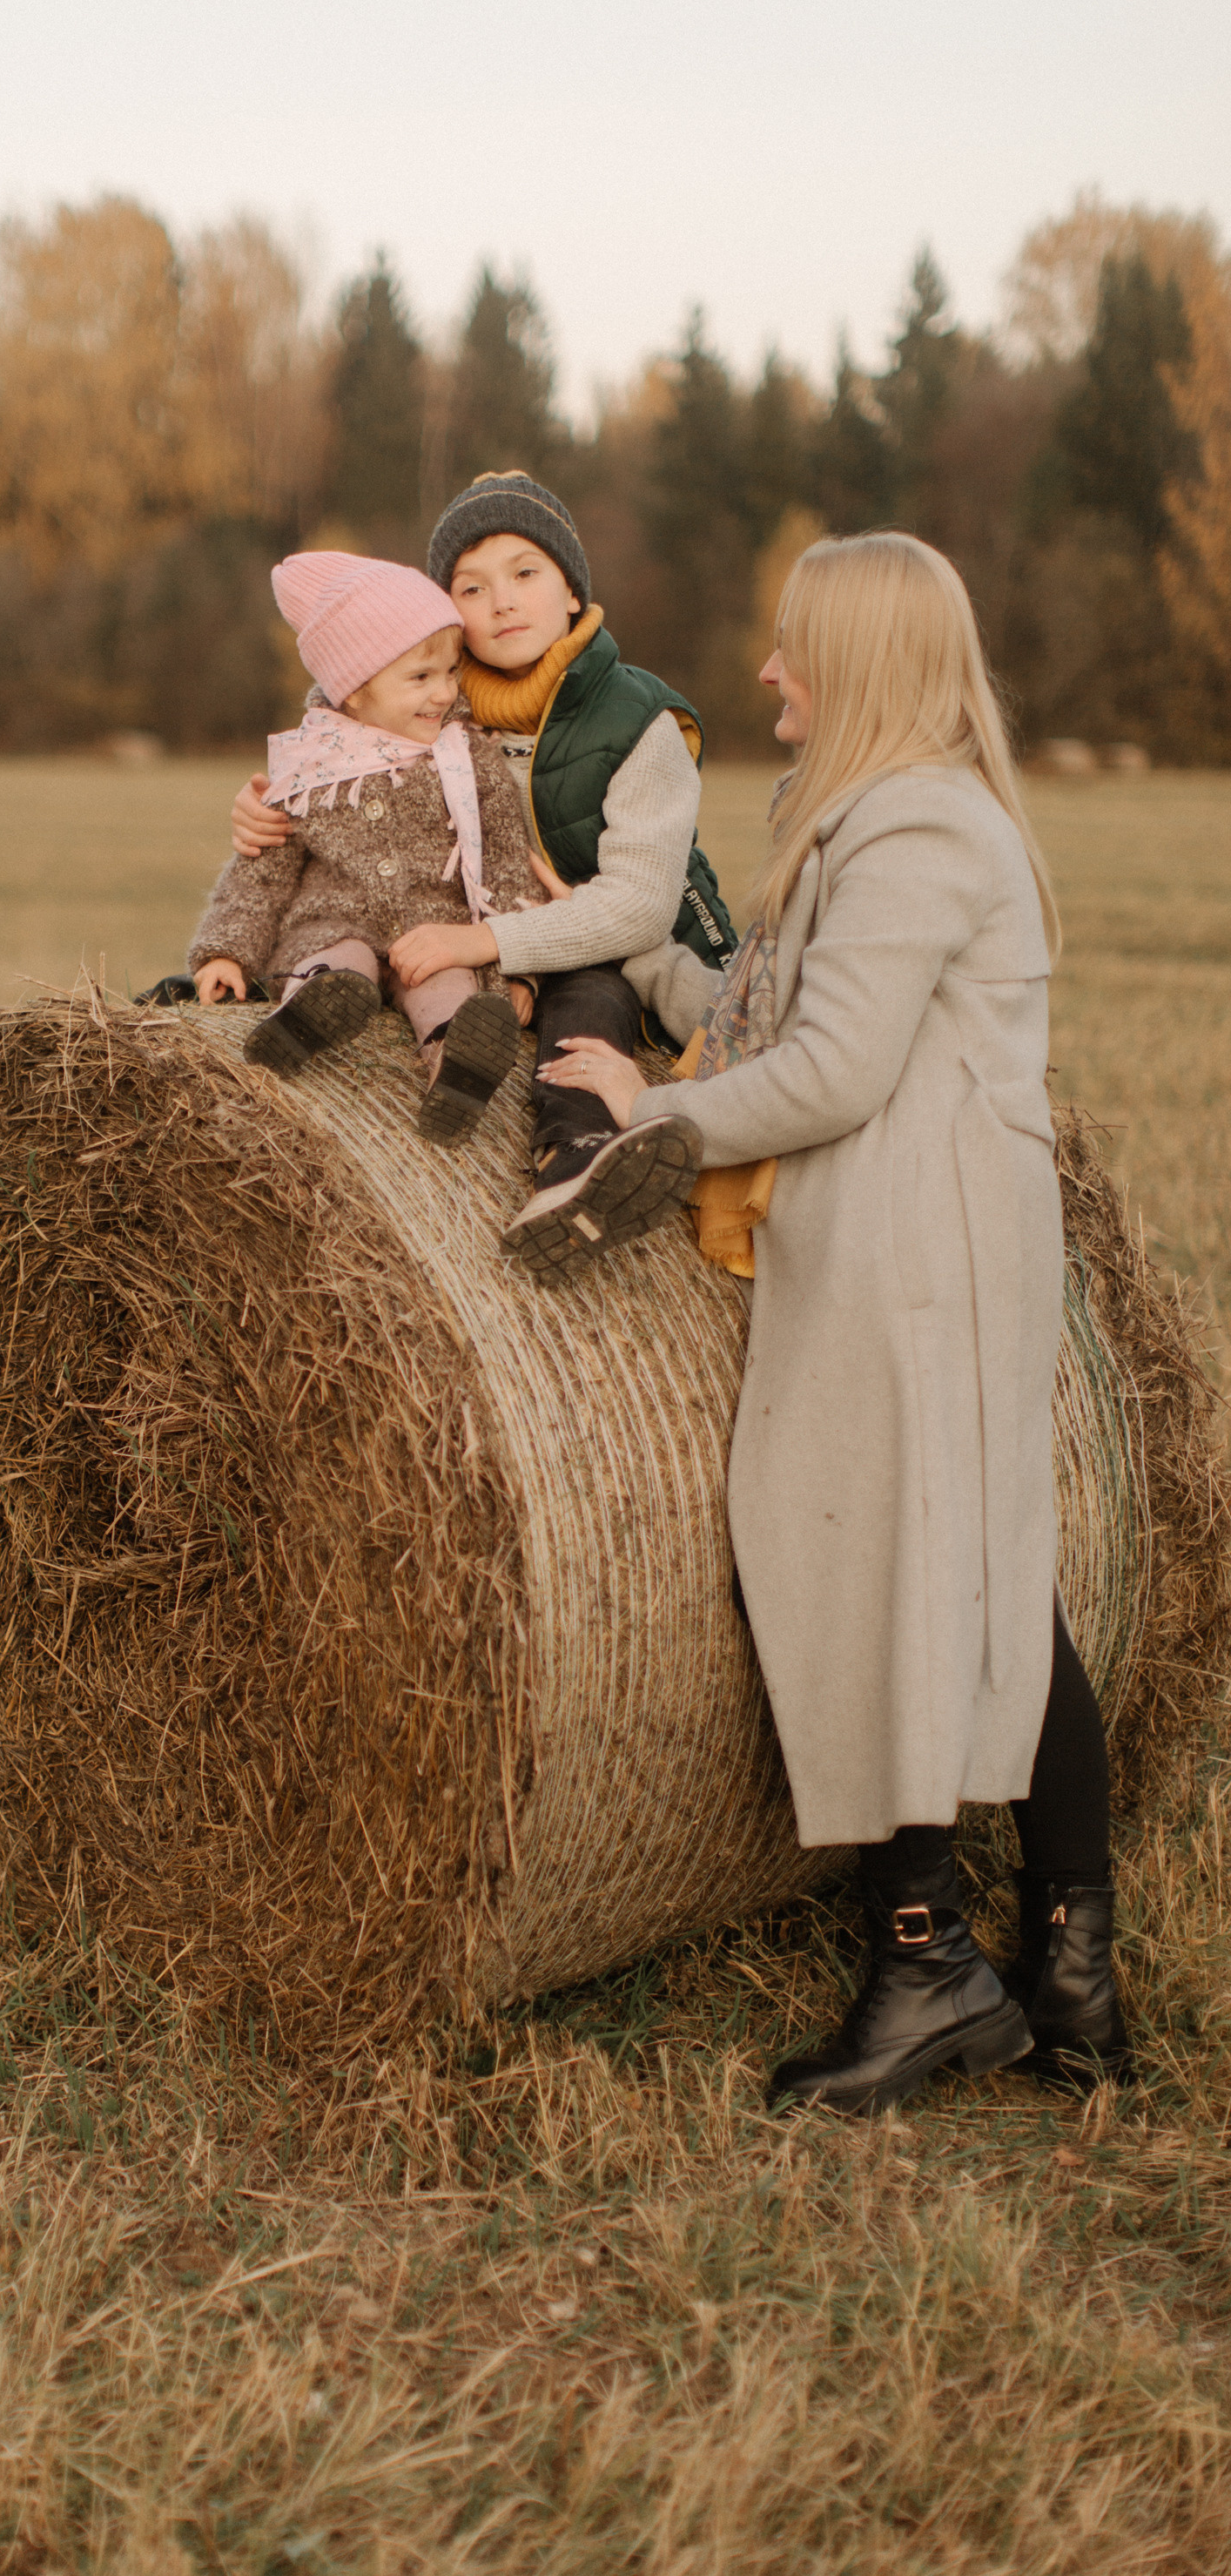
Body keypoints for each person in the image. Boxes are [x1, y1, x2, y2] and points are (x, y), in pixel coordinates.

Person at [539, 530, 1129, 2112]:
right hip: (920, 1234)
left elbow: (829, 1072)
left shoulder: (918, 829)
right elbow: (765, 1009)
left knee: (865, 1557)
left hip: (914, 1250)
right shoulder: (878, 822)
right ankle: (1071, 1965)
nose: (767, 670)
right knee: (979, 1569)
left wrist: (659, 1126)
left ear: (861, 662)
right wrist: (620, 962)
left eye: (795, 645)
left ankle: (929, 1964)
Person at [230, 473, 738, 1271]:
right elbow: (341, 732)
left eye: (526, 572)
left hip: (632, 961)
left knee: (590, 994)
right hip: (475, 948)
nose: (501, 601)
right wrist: (271, 807)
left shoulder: (640, 723)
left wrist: (481, 945)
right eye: (472, 586)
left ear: (572, 590)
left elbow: (637, 911)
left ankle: (575, 1162)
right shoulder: (433, 703)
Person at [189, 551, 543, 1142]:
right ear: (353, 691)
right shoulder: (311, 766)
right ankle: (305, 1020)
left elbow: (507, 863)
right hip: (332, 930)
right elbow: (261, 875)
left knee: (447, 985)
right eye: (420, 678)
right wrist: (225, 953)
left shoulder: (468, 757)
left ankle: (458, 1069)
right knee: (337, 967)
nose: (443, 693)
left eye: (450, 672)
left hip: (432, 936)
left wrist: (512, 967)